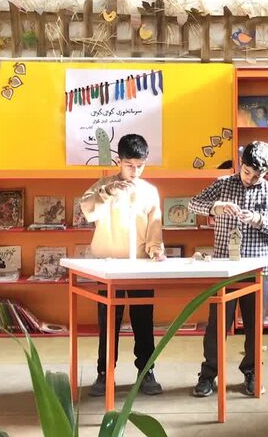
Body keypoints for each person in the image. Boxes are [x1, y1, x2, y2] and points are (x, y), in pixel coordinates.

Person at [189, 141, 268, 397]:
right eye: (246, 172)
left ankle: (252, 372)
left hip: (257, 270)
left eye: (257, 175)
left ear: (266, 172)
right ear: (241, 164)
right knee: (217, 325)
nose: (250, 179)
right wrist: (215, 207)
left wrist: (258, 220)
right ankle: (208, 374)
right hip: (225, 269)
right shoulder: (223, 184)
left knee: (254, 326)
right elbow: (193, 204)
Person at [79, 134, 164, 397]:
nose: (135, 171)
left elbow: (155, 229)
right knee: (108, 322)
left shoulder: (149, 191)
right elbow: (87, 210)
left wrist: (155, 250)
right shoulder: (103, 186)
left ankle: (146, 371)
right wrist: (108, 192)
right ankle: (104, 373)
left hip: (140, 266)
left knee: (143, 320)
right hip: (108, 267)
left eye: (140, 166)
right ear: (119, 161)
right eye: (129, 165)